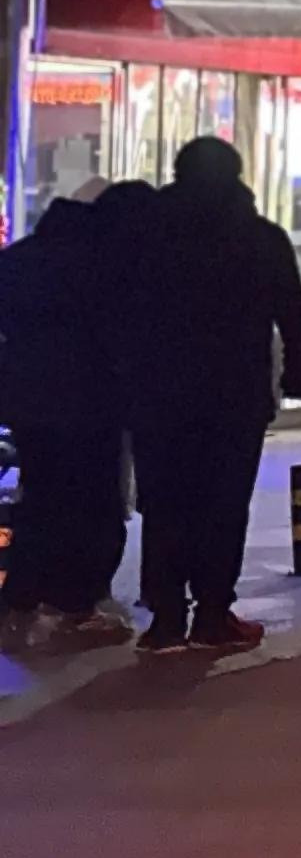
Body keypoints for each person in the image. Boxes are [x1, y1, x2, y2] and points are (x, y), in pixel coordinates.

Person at [117, 138, 301, 653]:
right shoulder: (259, 238)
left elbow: (115, 314)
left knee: (164, 504)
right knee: (222, 505)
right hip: (234, 395)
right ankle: (211, 614)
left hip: (158, 393)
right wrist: (297, 379)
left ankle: (163, 621)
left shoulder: (146, 237)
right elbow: (293, 315)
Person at [0, 176, 143, 651]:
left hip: (27, 402)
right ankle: (77, 603)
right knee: (91, 502)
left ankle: (20, 596)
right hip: (89, 404)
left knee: (42, 495)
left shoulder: (20, 259)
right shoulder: (101, 268)